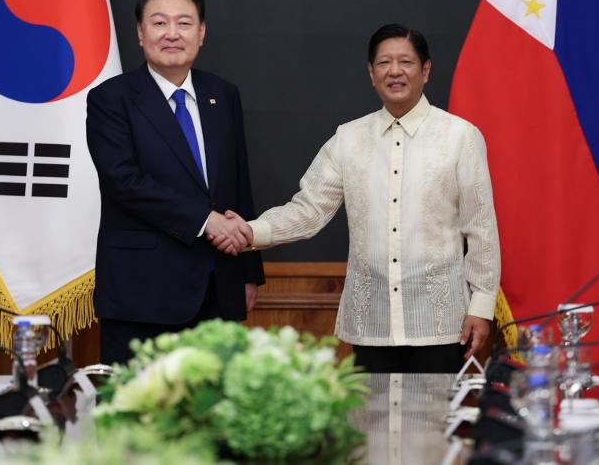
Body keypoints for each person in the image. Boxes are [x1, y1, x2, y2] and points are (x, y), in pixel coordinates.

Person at [212, 23, 500, 373]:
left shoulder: (460, 137)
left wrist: (482, 306)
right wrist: (248, 232)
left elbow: (481, 228)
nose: (394, 71)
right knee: (371, 426)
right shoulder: (348, 139)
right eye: (384, 63)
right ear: (371, 73)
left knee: (434, 426)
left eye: (406, 62)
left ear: (425, 70)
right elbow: (308, 210)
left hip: (440, 326)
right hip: (371, 325)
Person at [86, 0, 263, 365]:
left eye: (184, 23)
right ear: (140, 32)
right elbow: (124, 181)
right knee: (138, 418)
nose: (172, 33)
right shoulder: (111, 99)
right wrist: (205, 221)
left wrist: (248, 271)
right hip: (142, 294)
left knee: (213, 417)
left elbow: (238, 182)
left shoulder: (223, 95)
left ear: (201, 33)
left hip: (219, 288)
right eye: (159, 22)